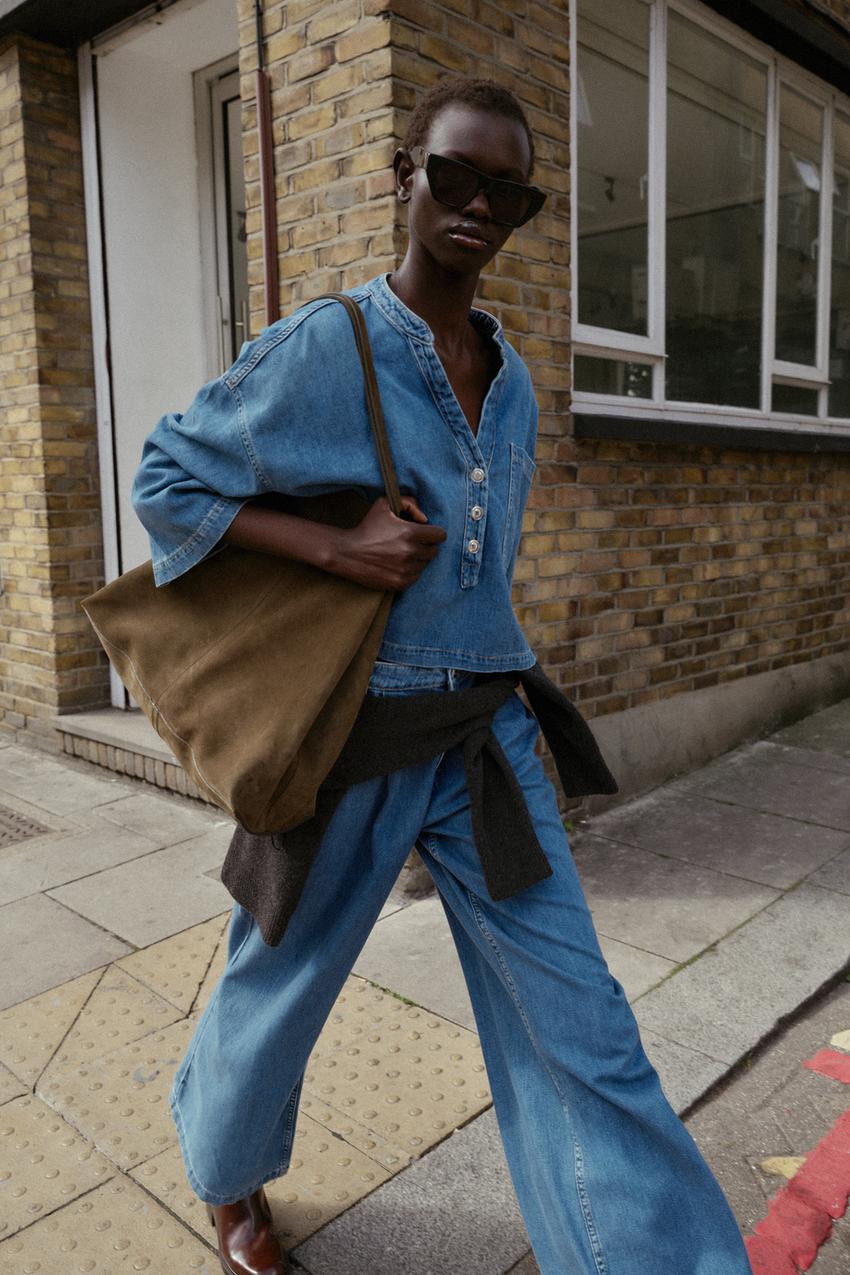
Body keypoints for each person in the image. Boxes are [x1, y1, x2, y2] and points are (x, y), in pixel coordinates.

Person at [132, 77, 754, 1275]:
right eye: (455, 176)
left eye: (505, 193)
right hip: (350, 743)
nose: (476, 205)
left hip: (483, 743)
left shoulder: (512, 382)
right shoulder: (330, 346)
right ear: (403, 175)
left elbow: (481, 565)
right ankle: (228, 1176)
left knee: (582, 1026)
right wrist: (337, 549)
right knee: (276, 993)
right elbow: (166, 481)